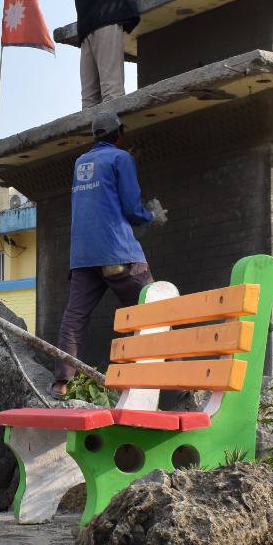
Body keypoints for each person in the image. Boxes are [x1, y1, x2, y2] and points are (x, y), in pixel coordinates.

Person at [54, 111, 165, 396]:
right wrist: (152, 216)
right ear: (120, 133)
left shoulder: (81, 162)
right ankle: (165, 383)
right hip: (118, 252)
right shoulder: (121, 158)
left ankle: (62, 382)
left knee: (75, 316)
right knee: (153, 310)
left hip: (83, 257)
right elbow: (131, 208)